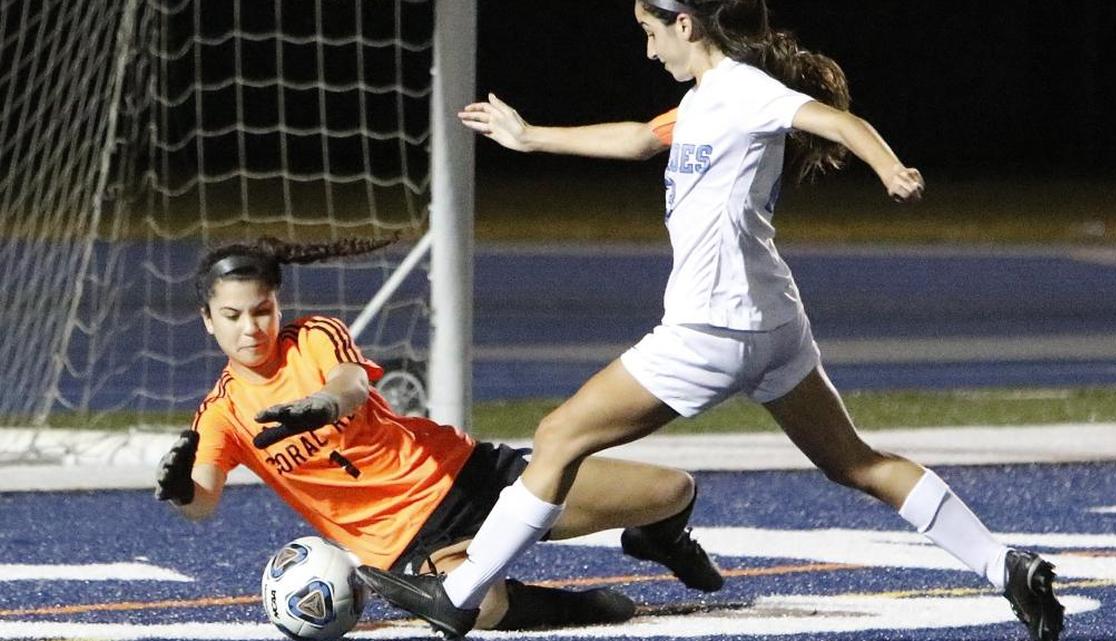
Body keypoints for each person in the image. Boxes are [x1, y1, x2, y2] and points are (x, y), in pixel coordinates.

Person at [356, 2, 1065, 641]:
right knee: (857, 462)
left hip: (709, 330)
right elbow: (637, 138)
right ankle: (1005, 566)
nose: (647, 49)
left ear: (685, 24)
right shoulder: (701, 106)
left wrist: (891, 168)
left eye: (649, 32)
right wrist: (530, 136)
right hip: (773, 326)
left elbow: (836, 120)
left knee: (557, 436)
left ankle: (459, 592)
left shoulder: (748, 92)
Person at [154, 236, 725, 633]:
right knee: (481, 608)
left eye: (261, 310)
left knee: (671, 490)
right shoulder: (223, 414)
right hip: (407, 545)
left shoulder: (314, 336)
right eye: (232, 316)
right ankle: (567, 607)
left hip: (471, 475)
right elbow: (203, 501)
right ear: (208, 319)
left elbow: (350, 383)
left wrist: (323, 405)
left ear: (278, 306)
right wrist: (183, 489)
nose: (251, 327)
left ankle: (660, 541)